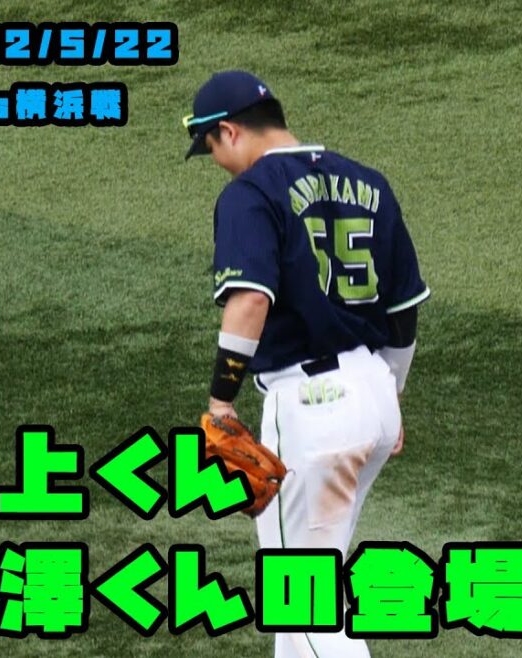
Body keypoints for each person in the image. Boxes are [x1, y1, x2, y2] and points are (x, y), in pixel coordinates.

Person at [183, 70, 430, 657]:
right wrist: (391, 394)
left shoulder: (250, 193)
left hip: (312, 409)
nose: (216, 161)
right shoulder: (368, 181)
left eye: (211, 146)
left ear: (229, 130)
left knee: (303, 598)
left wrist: (221, 401)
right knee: (309, 584)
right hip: (373, 394)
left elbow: (250, 300)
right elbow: (403, 313)